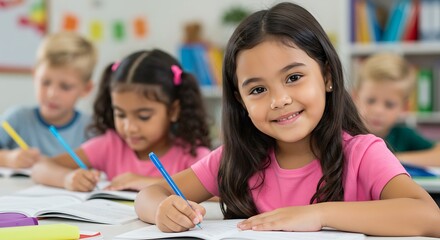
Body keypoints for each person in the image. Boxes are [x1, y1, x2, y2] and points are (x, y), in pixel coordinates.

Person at [134, 2, 440, 237]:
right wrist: (163, 209)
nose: (279, 99)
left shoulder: (362, 153)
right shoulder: (233, 159)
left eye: (293, 77)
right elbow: (150, 194)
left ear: (328, 77)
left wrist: (320, 215)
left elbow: (430, 217)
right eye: (258, 89)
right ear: (241, 101)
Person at [32, 49, 212, 192]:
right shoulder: (111, 145)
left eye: (143, 116)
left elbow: (225, 194)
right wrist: (68, 178)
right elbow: (41, 167)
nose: (129, 127)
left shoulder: (192, 154)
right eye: (120, 114)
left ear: (173, 110)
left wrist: (145, 183)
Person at [0, 32, 96, 169]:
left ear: (86, 89)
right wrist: (7, 158)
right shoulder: (17, 118)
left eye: (65, 87)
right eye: (45, 82)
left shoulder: (92, 128)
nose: (52, 94)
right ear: (34, 76)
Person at [353, 53, 440, 167]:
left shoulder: (403, 135)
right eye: (370, 101)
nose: (378, 110)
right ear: (354, 97)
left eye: (389, 105)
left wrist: (393, 158)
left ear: (404, 107)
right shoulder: (345, 134)